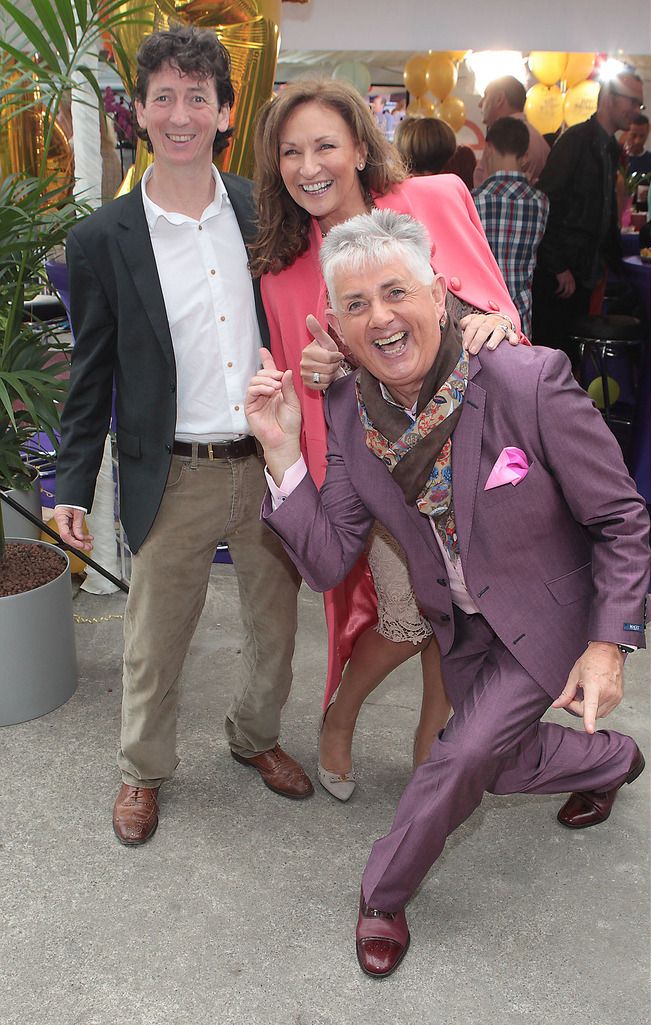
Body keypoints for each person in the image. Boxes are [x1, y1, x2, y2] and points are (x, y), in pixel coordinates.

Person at [246, 208, 649, 978]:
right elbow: (331, 559)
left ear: (437, 293)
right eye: (356, 305)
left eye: (395, 292)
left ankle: (381, 894)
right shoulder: (345, 405)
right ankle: (609, 761)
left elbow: (621, 519)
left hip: (550, 611)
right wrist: (279, 451)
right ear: (333, 323)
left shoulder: (524, 380)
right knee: (500, 763)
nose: (381, 318)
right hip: (462, 622)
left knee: (459, 753)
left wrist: (608, 642)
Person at [54, 26, 312, 848]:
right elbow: (90, 375)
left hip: (267, 461)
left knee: (275, 625)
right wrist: (67, 487)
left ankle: (255, 735)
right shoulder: (104, 240)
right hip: (173, 472)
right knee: (155, 640)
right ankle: (142, 771)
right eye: (162, 96)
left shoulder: (261, 211)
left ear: (224, 111)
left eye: (196, 96)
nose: (178, 114)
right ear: (136, 112)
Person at [251, 78, 525, 798]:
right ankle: (340, 716)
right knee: (410, 621)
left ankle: (431, 770)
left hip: (467, 461)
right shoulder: (282, 272)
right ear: (274, 165)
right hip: (375, 477)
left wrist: (498, 317)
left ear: (359, 149)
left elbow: (489, 296)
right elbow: (296, 399)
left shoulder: (434, 199)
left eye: (324, 146)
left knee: (456, 626)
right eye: (291, 152)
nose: (309, 166)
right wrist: (317, 373)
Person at [532, 70, 645, 366]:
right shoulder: (576, 140)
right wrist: (557, 265)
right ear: (608, 98)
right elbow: (545, 203)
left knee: (569, 365)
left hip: (581, 274)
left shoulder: (608, 147)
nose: (636, 110)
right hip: (561, 277)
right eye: (632, 101)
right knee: (553, 364)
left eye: (639, 104)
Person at [472, 117, 549, 337]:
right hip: (520, 315)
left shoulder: (473, 200)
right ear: (525, 157)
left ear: (488, 149)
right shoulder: (540, 202)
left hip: (480, 315)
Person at [474, 75, 549, 187]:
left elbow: (489, 191)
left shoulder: (501, 138)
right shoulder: (539, 139)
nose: (480, 104)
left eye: (485, 95)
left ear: (499, 99)